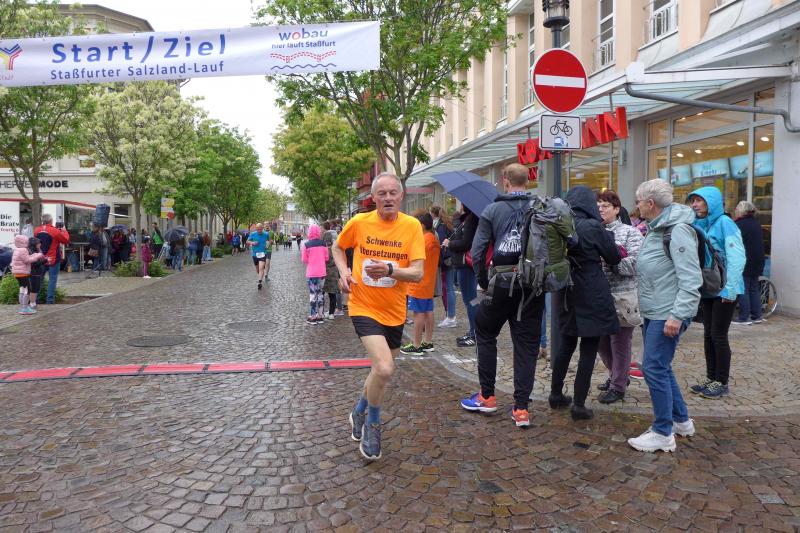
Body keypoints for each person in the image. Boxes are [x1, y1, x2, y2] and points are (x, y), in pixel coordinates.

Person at [332, 172, 424, 461]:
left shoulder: (411, 226)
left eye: (392, 193)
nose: (387, 198)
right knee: (384, 368)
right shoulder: (359, 222)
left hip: (394, 311)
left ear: (401, 196)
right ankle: (372, 425)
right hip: (363, 305)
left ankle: (358, 410)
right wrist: (344, 272)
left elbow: (418, 273)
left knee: (379, 370)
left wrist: (390, 270)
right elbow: (338, 247)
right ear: (373, 198)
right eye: (381, 193)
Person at [459, 163, 546, 428]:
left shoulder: (492, 210)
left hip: (500, 284)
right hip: (532, 286)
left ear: (505, 180)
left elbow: (477, 252)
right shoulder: (541, 207)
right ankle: (521, 409)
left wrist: (484, 282)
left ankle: (487, 396)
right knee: (527, 346)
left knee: (485, 333)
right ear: (527, 181)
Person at [628, 179, 701, 453]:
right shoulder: (657, 228)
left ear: (650, 203)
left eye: (638, 201)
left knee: (653, 368)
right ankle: (681, 421)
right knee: (661, 366)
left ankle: (662, 432)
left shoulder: (677, 230)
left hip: (667, 312)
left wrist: (678, 315)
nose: (636, 206)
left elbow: (690, 279)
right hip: (655, 310)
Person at [549, 185, 622, 421]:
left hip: (566, 291)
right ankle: (579, 405)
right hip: (591, 292)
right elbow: (613, 257)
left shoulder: (560, 224)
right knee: (588, 349)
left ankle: (555, 394)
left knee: (565, 345)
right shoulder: (592, 226)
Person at [686, 187, 745, 399]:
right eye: (693, 201)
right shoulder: (699, 223)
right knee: (708, 334)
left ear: (711, 202)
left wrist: (730, 288)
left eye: (699, 200)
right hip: (709, 288)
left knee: (718, 335)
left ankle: (721, 381)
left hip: (726, 289)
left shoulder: (725, 223)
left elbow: (737, 257)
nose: (694, 204)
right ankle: (711, 378)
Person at [595, 190, 644, 404]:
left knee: (620, 343)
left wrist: (611, 260)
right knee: (600, 342)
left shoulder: (630, 232)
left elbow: (636, 264)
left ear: (616, 209)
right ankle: (618, 375)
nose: (600, 209)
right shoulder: (593, 230)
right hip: (598, 296)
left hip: (623, 296)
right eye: (598, 205)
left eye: (605, 205)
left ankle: (618, 386)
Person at [400, 213, 440, 356]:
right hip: (429, 283)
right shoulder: (434, 240)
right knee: (428, 311)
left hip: (418, 283)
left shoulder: (422, 241)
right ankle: (428, 341)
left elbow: (410, 259)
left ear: (421, 225)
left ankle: (416, 345)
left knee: (418, 314)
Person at [442, 206, 480, 347]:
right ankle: (472, 331)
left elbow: (465, 243)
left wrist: (449, 243)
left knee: (471, 301)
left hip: (466, 265)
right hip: (464, 265)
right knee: (471, 300)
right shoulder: (468, 219)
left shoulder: (471, 220)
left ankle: (474, 333)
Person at [733, 201, 766, 325]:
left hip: (745, 260)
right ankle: (757, 315)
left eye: (737, 209)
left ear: (741, 211)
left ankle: (743, 317)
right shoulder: (756, 223)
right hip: (758, 260)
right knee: (753, 288)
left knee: (743, 289)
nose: (735, 211)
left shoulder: (739, 224)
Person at [34, 214, 70, 305]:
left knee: (39, 279)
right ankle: (49, 301)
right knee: (52, 280)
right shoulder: (55, 231)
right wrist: (64, 231)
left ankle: (35, 300)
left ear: (42, 221)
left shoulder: (37, 230)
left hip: (40, 259)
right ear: (51, 221)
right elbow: (65, 240)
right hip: (53, 259)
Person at [431, 206, 457, 328]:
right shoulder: (446, 224)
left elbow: (440, 246)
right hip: (450, 260)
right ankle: (450, 316)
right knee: (449, 288)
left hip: (446, 261)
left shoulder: (440, 227)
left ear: (434, 214)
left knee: (448, 288)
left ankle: (451, 316)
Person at [11, 235, 44, 314]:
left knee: (22, 289)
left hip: (17, 272)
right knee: (27, 290)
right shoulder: (24, 249)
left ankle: (22, 307)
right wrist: (38, 255)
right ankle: (25, 308)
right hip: (23, 273)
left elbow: (26, 257)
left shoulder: (17, 249)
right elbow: (27, 260)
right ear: (24, 242)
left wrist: (34, 255)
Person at [302, 224, 329, 323]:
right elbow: (327, 258)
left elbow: (304, 259)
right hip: (322, 273)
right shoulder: (323, 244)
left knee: (313, 294)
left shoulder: (306, 244)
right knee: (320, 294)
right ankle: (320, 316)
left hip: (312, 273)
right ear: (318, 232)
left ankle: (313, 316)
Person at [247, 223, 271, 290]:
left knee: (261, 268)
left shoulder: (266, 234)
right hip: (255, 254)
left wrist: (267, 244)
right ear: (256, 229)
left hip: (263, 253)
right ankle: (260, 277)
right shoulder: (253, 234)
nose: (259, 231)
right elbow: (247, 241)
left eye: (260, 229)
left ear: (262, 228)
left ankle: (259, 282)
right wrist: (252, 243)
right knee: (258, 270)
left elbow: (269, 240)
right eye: (258, 229)